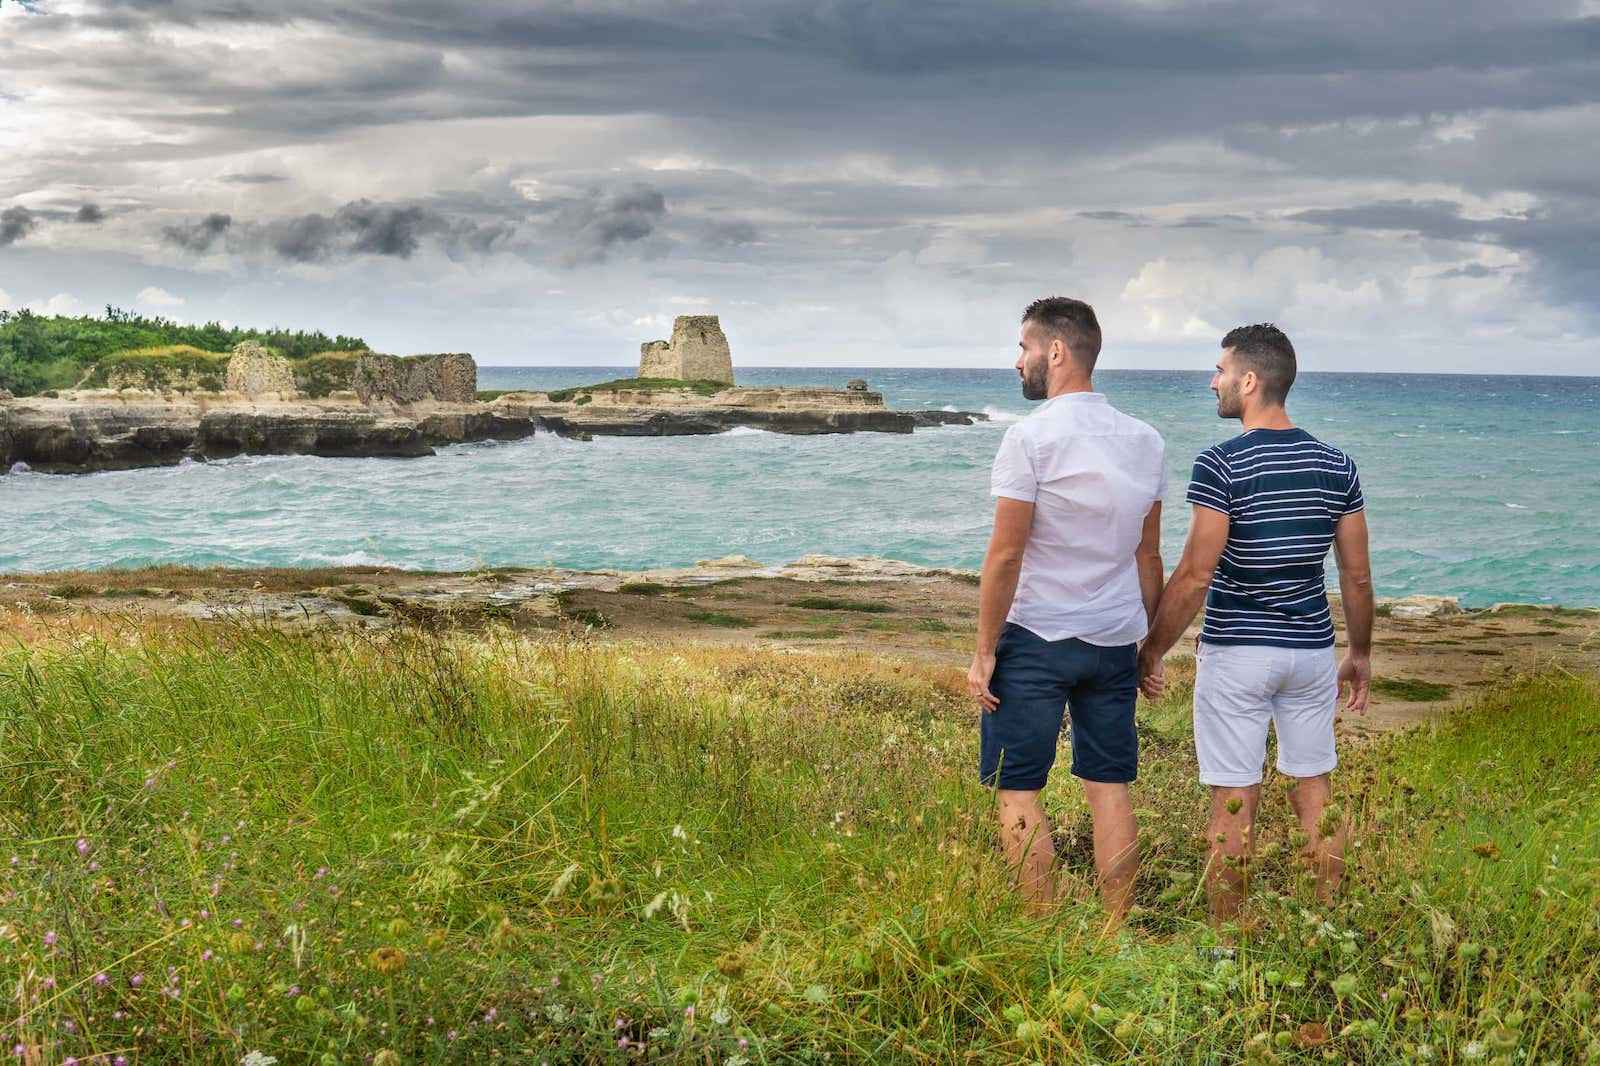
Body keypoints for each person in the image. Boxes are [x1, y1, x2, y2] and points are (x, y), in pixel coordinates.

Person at [1137, 323, 1373, 922]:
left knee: (1234, 799)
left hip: (1239, 651)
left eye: (1220, 371)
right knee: (1313, 791)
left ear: (1249, 380)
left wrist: (1153, 649)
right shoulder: (1336, 464)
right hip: (1311, 653)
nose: (1213, 382)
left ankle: (1226, 944)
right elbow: (1356, 578)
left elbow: (1194, 573)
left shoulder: (1221, 463)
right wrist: (1361, 655)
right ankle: (1324, 927)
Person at [968, 296, 1167, 920]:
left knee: (1018, 790)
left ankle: (1040, 933)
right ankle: (1113, 935)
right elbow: (1149, 557)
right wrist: (1150, 646)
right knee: (1109, 789)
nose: (1017, 360)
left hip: (1035, 638)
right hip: (1113, 641)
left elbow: (1004, 557)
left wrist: (982, 652)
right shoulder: (1146, 440)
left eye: (1023, 347)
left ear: (1055, 351)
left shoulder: (1029, 438)